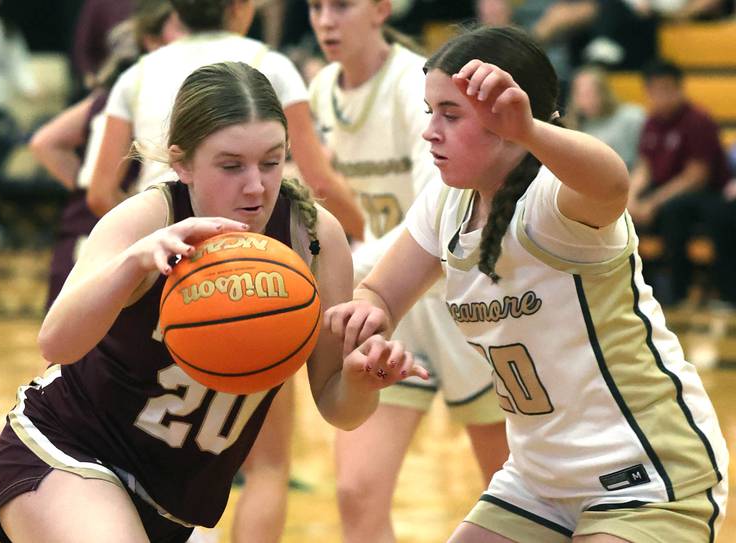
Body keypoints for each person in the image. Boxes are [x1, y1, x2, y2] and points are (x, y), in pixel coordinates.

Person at [0, 61, 424, 543]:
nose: (255, 185)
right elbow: (56, 342)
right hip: (69, 449)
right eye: (231, 166)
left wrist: (361, 381)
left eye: (272, 161)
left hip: (172, 505)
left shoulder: (313, 237)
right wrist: (133, 264)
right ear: (182, 163)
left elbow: (339, 409)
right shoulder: (149, 217)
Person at [325, 25, 728, 542]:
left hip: (644, 471)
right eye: (431, 113)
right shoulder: (446, 204)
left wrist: (530, 132)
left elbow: (613, 182)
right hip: (539, 480)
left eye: (451, 115)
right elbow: (380, 294)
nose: (431, 132)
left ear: (509, 122)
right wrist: (368, 318)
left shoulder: (555, 198)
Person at [0, 0, 183, 525]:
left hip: (96, 249)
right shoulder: (149, 97)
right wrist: (128, 218)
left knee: (66, 396)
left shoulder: (115, 92)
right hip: (102, 258)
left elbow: (48, 143)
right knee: (57, 398)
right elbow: (83, 178)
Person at [307, 2, 508, 541]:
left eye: (341, 5)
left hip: (463, 302)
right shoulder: (324, 87)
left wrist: (332, 270)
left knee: (512, 492)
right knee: (355, 492)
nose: (326, 20)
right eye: (314, 6)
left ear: (380, 9)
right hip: (389, 308)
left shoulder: (415, 83)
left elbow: (435, 212)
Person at [88, 0, 364, 241]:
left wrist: (149, 235)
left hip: (167, 239)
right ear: (238, 7)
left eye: (270, 163)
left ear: (176, 10)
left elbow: (100, 193)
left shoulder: (134, 75)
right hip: (253, 241)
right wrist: (371, 238)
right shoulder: (274, 65)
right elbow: (320, 181)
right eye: (231, 165)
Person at [628, 59, 731, 306]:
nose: (660, 97)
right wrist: (631, 198)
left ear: (679, 88)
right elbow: (645, 166)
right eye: (654, 91)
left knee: (673, 212)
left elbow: (696, 177)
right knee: (621, 214)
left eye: (667, 90)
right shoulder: (652, 122)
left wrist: (653, 202)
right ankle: (637, 292)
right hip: (666, 192)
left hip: (707, 194)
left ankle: (679, 293)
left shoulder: (698, 120)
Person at [564, 65, 645, 170]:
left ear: (604, 92)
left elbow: (645, 164)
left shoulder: (633, 116)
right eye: (579, 94)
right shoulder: (575, 127)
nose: (584, 100)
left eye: (590, 93)